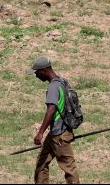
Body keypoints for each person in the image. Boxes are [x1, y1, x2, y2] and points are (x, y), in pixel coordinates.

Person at [27, 56, 80, 184]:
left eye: (37, 73)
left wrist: (40, 132)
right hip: (55, 134)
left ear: (44, 70)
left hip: (59, 135)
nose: (36, 76)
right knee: (42, 162)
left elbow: (51, 109)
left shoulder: (53, 87)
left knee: (69, 167)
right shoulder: (62, 82)